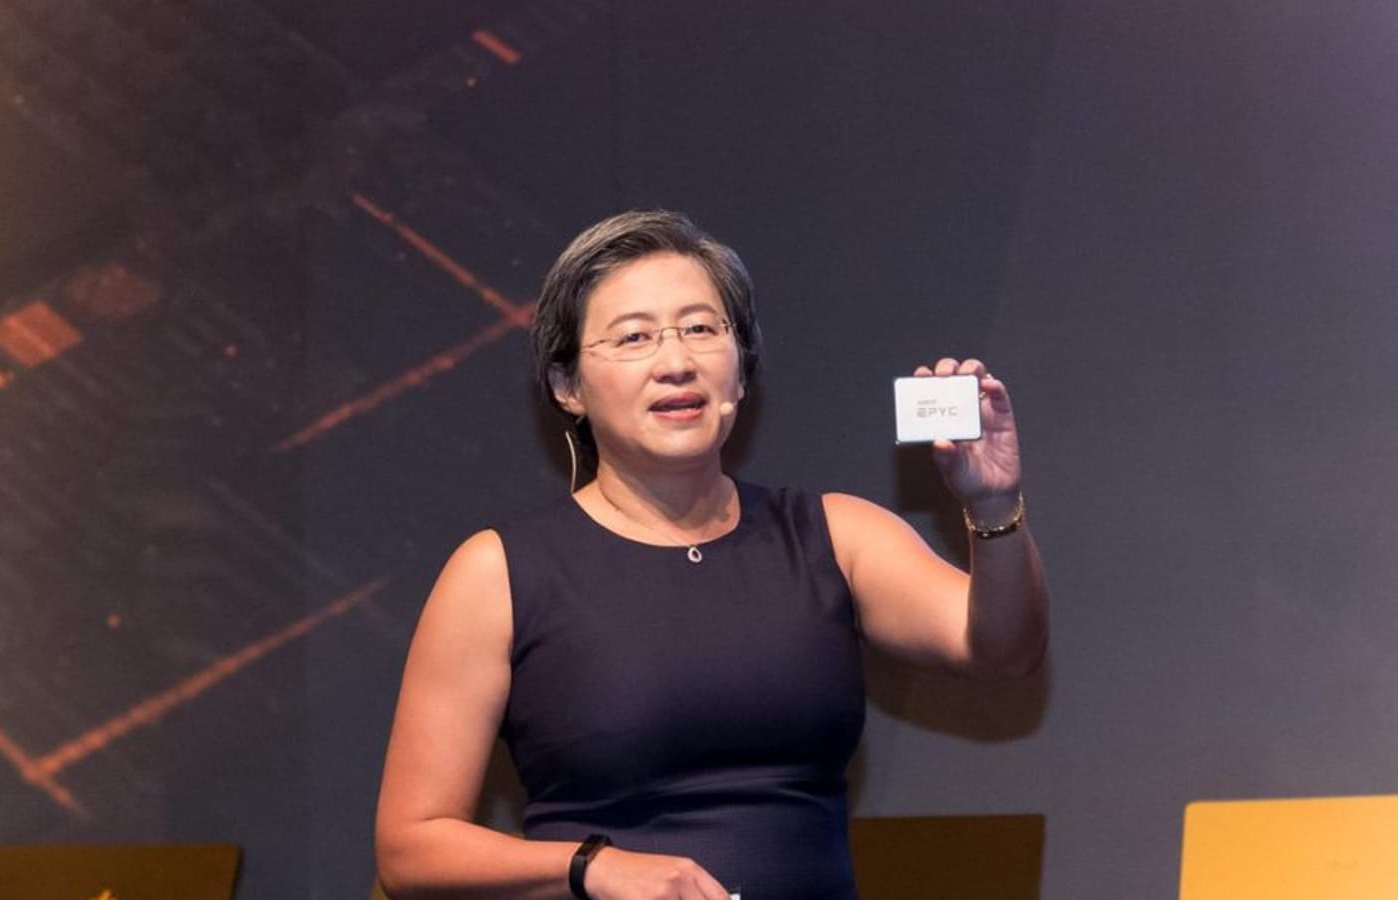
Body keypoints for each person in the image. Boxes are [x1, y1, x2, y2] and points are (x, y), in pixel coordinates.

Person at [375, 210, 1049, 900]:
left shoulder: (833, 535)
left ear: (741, 369)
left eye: (701, 329)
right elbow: (410, 848)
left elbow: (1003, 649)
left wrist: (993, 503)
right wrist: (592, 867)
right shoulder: (499, 573)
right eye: (633, 337)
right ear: (567, 386)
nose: (676, 363)